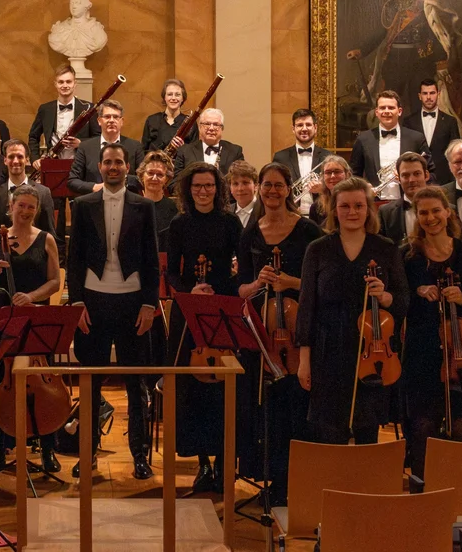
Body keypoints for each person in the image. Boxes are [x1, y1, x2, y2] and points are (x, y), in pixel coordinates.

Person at [65, 143, 160, 479]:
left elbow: (151, 259)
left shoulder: (144, 206)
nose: (114, 167)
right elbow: (73, 258)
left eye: (119, 162)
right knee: (91, 384)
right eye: (108, 162)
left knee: (137, 385)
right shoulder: (83, 204)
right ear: (100, 168)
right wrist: (76, 303)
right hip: (93, 302)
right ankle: (87, 454)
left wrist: (149, 303)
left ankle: (139, 456)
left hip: (133, 302)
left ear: (128, 166)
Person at [234, 162, 324, 506]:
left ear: (289, 189)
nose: (272, 191)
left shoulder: (309, 230)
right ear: (259, 189)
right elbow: (240, 289)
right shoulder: (250, 233)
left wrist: (291, 283)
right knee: (265, 409)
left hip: (300, 333)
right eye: (266, 186)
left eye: (278, 186)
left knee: (299, 408)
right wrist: (259, 283)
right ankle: (274, 480)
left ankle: (301, 480)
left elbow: (322, 285)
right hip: (263, 336)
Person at [296, 177, 407, 445]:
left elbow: (403, 300)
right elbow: (307, 306)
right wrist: (304, 360)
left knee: (368, 431)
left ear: (369, 209)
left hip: (370, 349)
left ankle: (365, 486)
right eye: (345, 206)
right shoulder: (318, 249)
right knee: (330, 431)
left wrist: (385, 296)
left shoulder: (385, 248)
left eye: (359, 206)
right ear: (334, 210)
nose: (352, 212)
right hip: (328, 349)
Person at [163, 162, 243, 492]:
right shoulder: (179, 223)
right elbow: (170, 271)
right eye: (197, 186)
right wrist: (188, 290)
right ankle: (203, 465)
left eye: (209, 186)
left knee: (223, 390)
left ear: (218, 188)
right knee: (192, 391)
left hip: (221, 307)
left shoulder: (230, 222)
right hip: (190, 310)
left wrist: (225, 288)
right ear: (188, 189)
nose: (203, 191)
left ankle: (225, 463)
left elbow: (244, 264)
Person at [400, 185, 462, 478]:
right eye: (423, 212)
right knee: (422, 425)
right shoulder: (407, 256)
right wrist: (417, 291)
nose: (430, 217)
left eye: (436, 210)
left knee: (461, 424)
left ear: (447, 212)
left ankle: (458, 487)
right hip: (421, 352)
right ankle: (422, 490)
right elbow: (399, 302)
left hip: (460, 353)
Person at [0, 186, 65, 474]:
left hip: (35, 318)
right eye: (22, 206)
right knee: (0, 382)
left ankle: (49, 448)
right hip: (4, 318)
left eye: (32, 207)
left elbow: (55, 281)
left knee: (43, 386)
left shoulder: (47, 239)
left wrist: (31, 297)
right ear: (11, 206)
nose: (26, 211)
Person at [344, 0, 462, 117]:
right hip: (394, 60)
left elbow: (435, 31)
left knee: (417, 104)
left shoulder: (426, 5)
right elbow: (382, 31)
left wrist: (440, 60)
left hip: (419, 61)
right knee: (391, 103)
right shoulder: (392, 5)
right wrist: (361, 50)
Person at [350, 90, 430, 200]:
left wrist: (412, 179)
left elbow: (430, 173)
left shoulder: (416, 138)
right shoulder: (363, 139)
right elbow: (353, 174)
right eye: (382, 108)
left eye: (391, 108)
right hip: (374, 204)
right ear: (376, 112)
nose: (386, 111)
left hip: (410, 202)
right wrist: (363, 187)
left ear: (400, 111)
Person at [0, 139, 54, 238]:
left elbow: (50, 234)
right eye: (11, 157)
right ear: (5, 160)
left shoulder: (44, 192)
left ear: (27, 160)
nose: (15, 161)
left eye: (20, 156)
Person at [67, 100, 141, 195]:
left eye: (115, 117)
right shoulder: (85, 147)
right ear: (99, 121)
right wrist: (95, 187)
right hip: (94, 203)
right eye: (107, 116)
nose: (111, 120)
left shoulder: (135, 146)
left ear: (122, 121)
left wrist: (122, 180)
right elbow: (73, 181)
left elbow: (142, 179)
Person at [401, 79, 462, 186]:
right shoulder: (409, 121)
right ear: (419, 96)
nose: (429, 97)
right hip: (416, 179)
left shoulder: (450, 121)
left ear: (438, 94)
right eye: (425, 93)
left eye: (432, 93)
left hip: (444, 179)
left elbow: (455, 153)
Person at [28, 64, 97, 159]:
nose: (65, 85)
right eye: (61, 82)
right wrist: (35, 158)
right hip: (53, 164)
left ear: (75, 84)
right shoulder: (45, 109)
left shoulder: (88, 108)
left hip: (81, 166)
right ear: (55, 84)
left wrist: (81, 143)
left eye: (68, 82)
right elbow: (33, 137)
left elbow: (98, 138)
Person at [271, 109, 332, 217]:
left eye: (308, 124)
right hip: (290, 216)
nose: (304, 129)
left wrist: (323, 189)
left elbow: (339, 188)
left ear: (315, 128)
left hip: (322, 216)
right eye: (299, 125)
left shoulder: (328, 157)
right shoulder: (280, 157)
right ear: (293, 129)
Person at [377, 152, 431, 246]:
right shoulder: (385, 213)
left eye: (417, 174)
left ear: (426, 175)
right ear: (398, 178)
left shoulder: (446, 208)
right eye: (405, 175)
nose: (411, 180)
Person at [175, 108, 244, 175]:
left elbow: (241, 180)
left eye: (216, 124)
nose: (211, 128)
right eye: (207, 124)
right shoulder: (184, 151)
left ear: (222, 128)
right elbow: (175, 182)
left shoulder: (235, 152)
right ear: (200, 127)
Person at [141, 78, 196, 152]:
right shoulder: (152, 120)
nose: (173, 98)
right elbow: (143, 150)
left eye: (177, 95)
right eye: (170, 94)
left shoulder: (190, 124)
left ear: (183, 98)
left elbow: (194, 153)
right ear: (165, 97)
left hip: (180, 163)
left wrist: (183, 148)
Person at [138, 150, 181, 233]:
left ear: (167, 178)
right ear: (142, 175)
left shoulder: (176, 209)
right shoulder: (132, 207)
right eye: (150, 173)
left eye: (160, 174)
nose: (154, 178)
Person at [305, 155, 353, 228]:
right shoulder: (316, 207)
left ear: (347, 174)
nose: (332, 176)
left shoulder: (358, 202)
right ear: (323, 177)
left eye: (337, 172)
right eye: (328, 172)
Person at [227, 160, 259, 227]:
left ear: (256, 186)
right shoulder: (225, 213)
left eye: (245, 183)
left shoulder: (265, 211)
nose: (240, 189)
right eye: (235, 184)